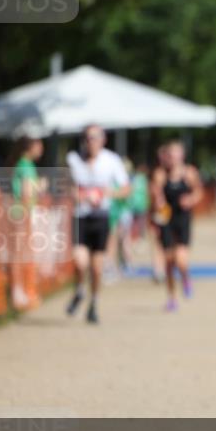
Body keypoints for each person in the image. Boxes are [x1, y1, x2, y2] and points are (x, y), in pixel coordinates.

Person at [65, 125, 130, 324]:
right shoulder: (73, 160)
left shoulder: (111, 161)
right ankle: (79, 290)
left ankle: (94, 302)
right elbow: (66, 187)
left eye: (94, 137)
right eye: (87, 137)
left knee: (96, 267)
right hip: (81, 216)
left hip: (101, 217)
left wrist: (107, 193)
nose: (90, 141)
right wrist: (81, 195)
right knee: (79, 261)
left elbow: (126, 189)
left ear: (103, 140)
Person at [150, 140, 203, 312]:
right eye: (170, 154)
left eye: (176, 154)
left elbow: (198, 192)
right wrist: (157, 203)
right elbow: (155, 195)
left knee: (180, 260)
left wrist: (191, 199)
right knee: (168, 261)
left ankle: (186, 278)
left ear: (182, 155)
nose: (172, 158)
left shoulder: (189, 173)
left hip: (183, 220)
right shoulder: (160, 174)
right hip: (166, 220)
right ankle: (172, 297)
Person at [9, 135, 47, 310]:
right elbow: (25, 193)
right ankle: (17, 293)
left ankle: (22, 291)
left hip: (22, 212)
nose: (41, 148)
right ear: (29, 147)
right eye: (38, 144)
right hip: (21, 213)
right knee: (18, 254)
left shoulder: (27, 165)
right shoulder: (25, 166)